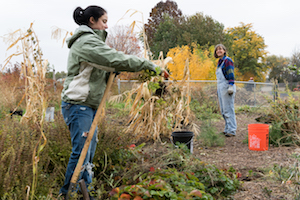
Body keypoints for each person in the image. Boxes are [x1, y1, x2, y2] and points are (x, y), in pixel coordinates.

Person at [59, 5, 167, 198]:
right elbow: (112, 58)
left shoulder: (93, 42)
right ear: (92, 21)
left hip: (88, 105)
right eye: (104, 21)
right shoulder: (86, 42)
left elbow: (103, 64)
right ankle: (68, 193)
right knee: (81, 151)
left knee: (88, 152)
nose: (107, 26)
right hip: (78, 104)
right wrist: (147, 65)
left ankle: (85, 192)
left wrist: (110, 70)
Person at [214, 44, 237, 137]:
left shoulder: (227, 60)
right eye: (217, 50)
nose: (218, 51)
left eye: (220, 49)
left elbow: (230, 72)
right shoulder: (220, 62)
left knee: (228, 109)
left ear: (224, 50)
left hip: (227, 85)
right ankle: (227, 128)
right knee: (223, 110)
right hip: (220, 86)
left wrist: (231, 85)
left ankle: (232, 130)